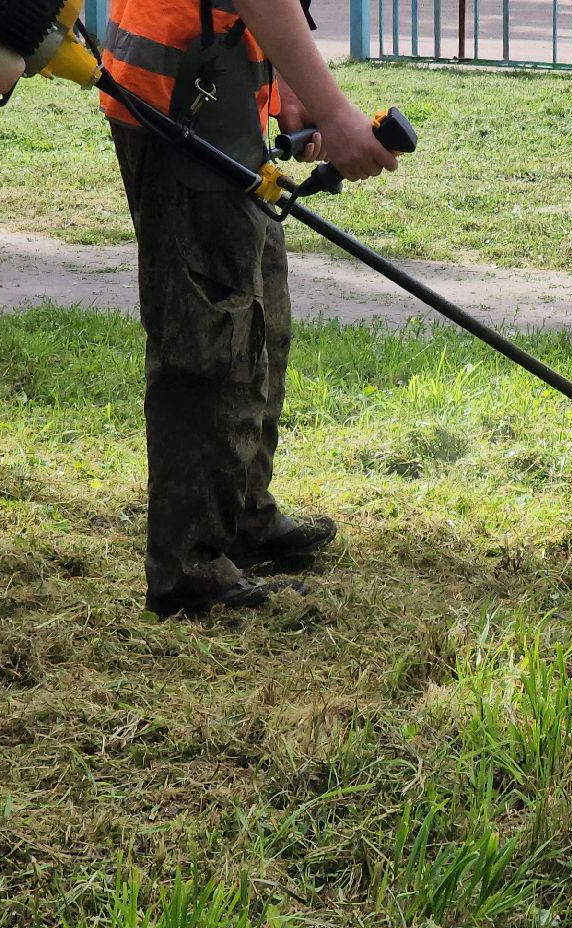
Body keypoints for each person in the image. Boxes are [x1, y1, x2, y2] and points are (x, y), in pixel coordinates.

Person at [100, 0, 399, 616]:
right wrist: (336, 114)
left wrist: (287, 88)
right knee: (211, 337)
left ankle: (238, 518)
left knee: (262, 321)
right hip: (180, 98)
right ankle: (190, 572)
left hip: (222, 91)